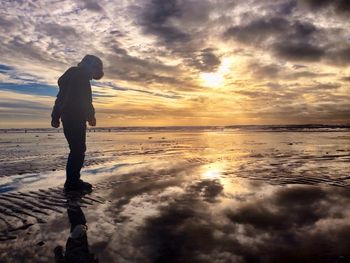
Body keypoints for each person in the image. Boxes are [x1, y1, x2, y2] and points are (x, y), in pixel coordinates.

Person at [51, 55, 104, 192]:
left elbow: (59, 99)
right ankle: (72, 182)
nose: (93, 77)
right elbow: (86, 100)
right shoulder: (81, 77)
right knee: (78, 150)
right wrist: (91, 117)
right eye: (95, 72)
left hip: (66, 117)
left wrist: (55, 117)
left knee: (76, 149)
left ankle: (72, 180)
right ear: (91, 67)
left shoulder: (70, 77)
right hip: (76, 117)